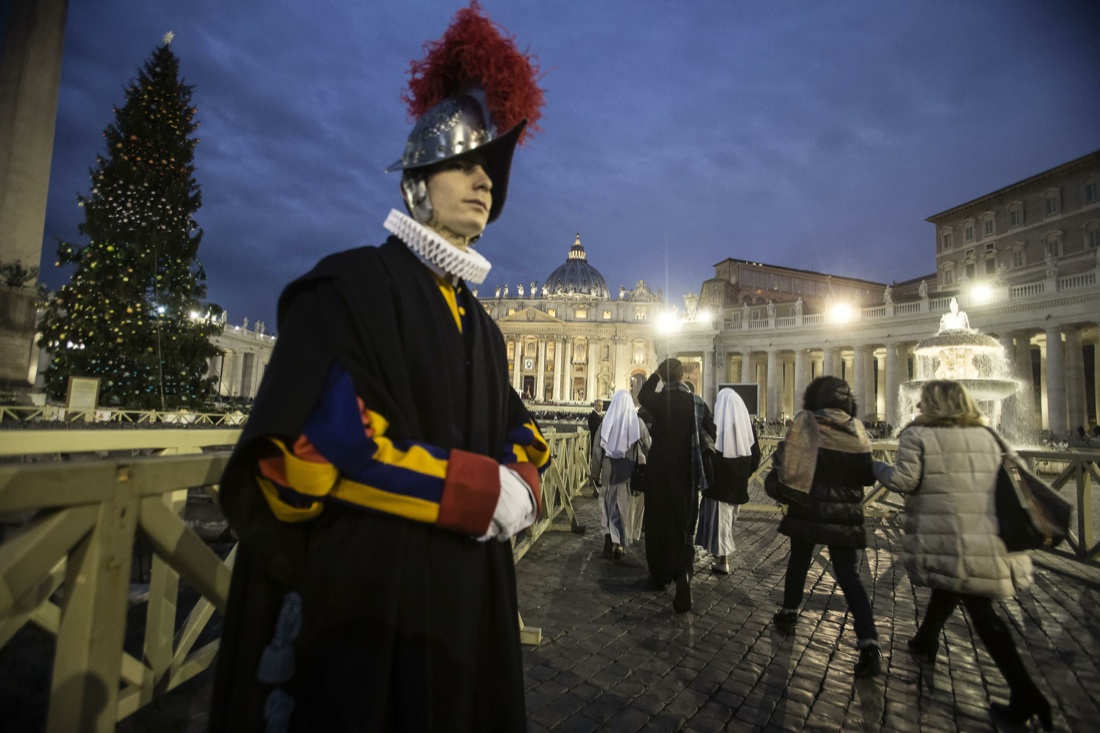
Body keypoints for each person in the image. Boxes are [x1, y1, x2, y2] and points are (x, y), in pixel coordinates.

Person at [209, 5, 548, 731]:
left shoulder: (483, 329)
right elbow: (314, 448)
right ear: (416, 184)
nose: (483, 179)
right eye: (462, 163)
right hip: (367, 602)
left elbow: (524, 429)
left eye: (488, 168)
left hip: (463, 604)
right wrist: (475, 490)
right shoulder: (350, 288)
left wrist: (522, 480)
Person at [872, 380, 1051, 729]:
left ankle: (1027, 692)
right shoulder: (988, 435)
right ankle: (926, 638)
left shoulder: (918, 434)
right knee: (955, 583)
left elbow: (903, 481)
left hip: (952, 532)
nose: (918, 407)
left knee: (982, 613)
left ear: (933, 405)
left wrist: (873, 466)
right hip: (989, 532)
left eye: (923, 401)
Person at [770, 376, 882, 677]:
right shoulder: (857, 429)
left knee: (798, 563)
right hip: (846, 515)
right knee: (849, 578)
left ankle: (789, 613)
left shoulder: (808, 422)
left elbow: (788, 462)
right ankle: (869, 642)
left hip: (808, 507)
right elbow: (867, 476)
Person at [638, 358, 715, 613]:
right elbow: (711, 431)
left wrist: (655, 376)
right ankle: (683, 575)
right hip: (686, 473)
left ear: (664, 377)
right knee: (682, 526)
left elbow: (642, 395)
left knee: (658, 523)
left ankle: (659, 576)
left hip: (659, 472)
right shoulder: (698, 403)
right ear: (683, 376)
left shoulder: (661, 402)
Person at [695, 388, 760, 575]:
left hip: (718, 486)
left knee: (720, 523)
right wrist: (743, 473)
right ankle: (720, 555)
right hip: (737, 485)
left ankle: (723, 560)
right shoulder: (748, 428)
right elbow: (755, 456)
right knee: (728, 522)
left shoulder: (714, 426)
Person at [590, 389, 651, 560]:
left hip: (609, 472)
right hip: (630, 473)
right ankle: (619, 544)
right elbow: (649, 445)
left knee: (610, 507)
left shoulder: (606, 422)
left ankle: (611, 535)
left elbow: (596, 450)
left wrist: (595, 473)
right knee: (626, 508)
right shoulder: (637, 423)